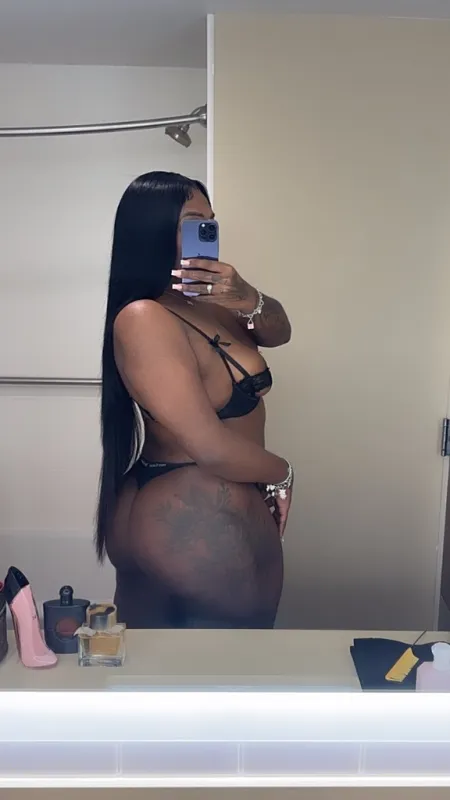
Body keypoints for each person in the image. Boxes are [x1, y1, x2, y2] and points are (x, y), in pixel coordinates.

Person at [96, 171, 293, 629]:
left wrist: (248, 296)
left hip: (179, 504)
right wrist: (282, 473)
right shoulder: (145, 316)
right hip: (193, 505)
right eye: (192, 221)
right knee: (237, 659)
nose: (207, 230)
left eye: (210, 221)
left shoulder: (210, 304)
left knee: (154, 663)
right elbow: (210, 447)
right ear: (152, 231)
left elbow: (279, 332)